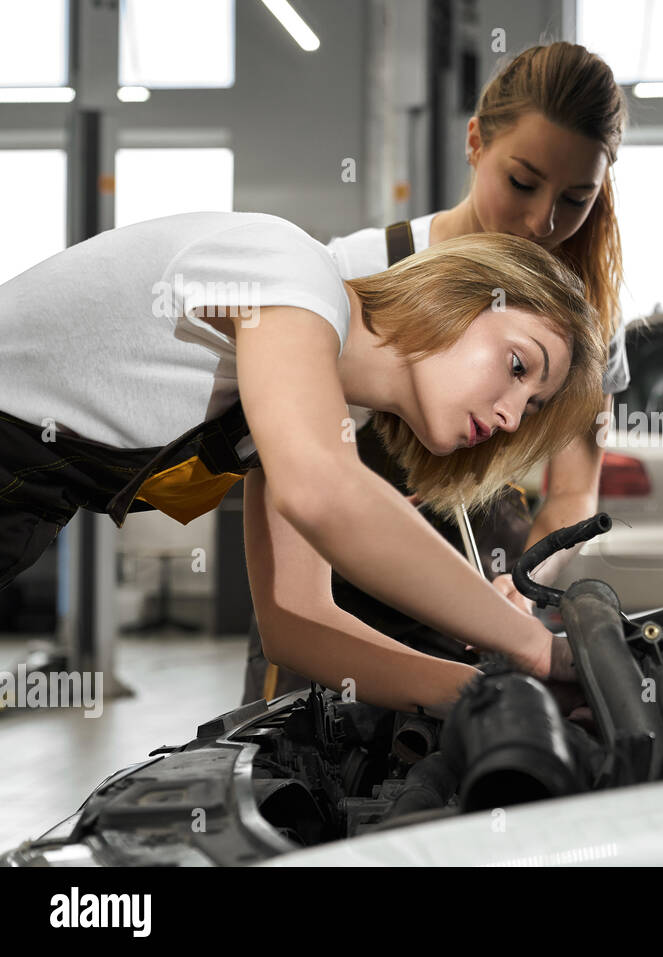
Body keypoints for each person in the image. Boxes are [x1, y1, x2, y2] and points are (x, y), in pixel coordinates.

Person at [0, 210, 605, 717]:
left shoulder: (320, 402)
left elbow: (297, 622)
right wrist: (536, 647)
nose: (510, 417)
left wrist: (492, 696)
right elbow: (323, 492)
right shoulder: (286, 268)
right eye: (519, 367)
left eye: (531, 408)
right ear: (460, 292)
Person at [243, 40, 632, 700]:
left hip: (491, 589)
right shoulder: (352, 271)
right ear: (476, 142)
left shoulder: (584, 324)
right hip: (335, 591)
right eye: (523, 182)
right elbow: (301, 517)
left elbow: (572, 492)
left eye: (576, 198)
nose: (544, 221)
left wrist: (524, 581)